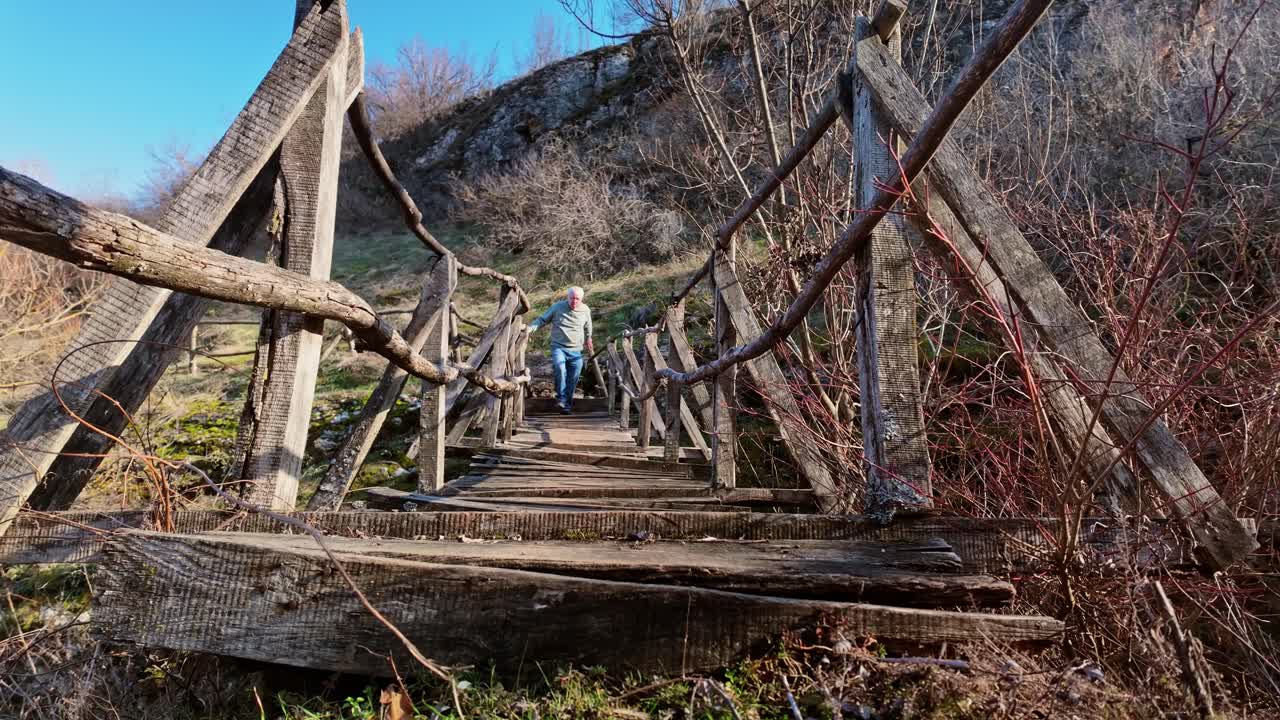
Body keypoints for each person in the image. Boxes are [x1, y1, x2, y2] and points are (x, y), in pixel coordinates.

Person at [526, 286, 594, 414]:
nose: (574, 302)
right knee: (560, 368)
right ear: (567, 297)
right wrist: (530, 329)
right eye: (572, 298)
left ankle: (566, 406)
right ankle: (561, 399)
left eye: (577, 299)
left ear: (582, 299)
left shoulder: (585, 310)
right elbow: (542, 320)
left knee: (573, 378)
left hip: (576, 350)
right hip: (559, 347)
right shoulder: (558, 307)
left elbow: (588, 326)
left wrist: (589, 338)